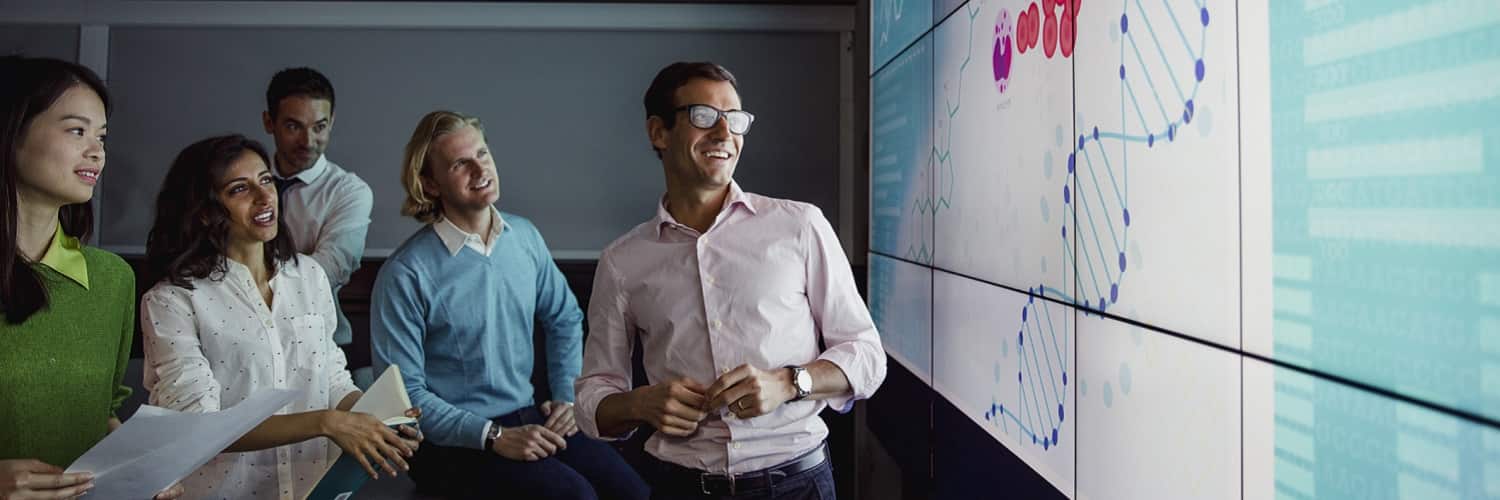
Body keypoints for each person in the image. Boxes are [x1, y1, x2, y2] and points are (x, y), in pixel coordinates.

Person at [575, 62, 887, 499]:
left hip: (798, 485)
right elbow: (593, 397)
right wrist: (638, 404)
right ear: (658, 132)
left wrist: (791, 382)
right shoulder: (622, 262)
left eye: (735, 119)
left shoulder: (799, 226)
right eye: (704, 116)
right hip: (679, 486)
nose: (725, 134)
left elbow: (868, 357)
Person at [371, 110, 648, 500]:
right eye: (459, 163)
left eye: (482, 154)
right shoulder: (405, 273)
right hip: (449, 444)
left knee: (633, 492)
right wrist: (492, 436)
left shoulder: (525, 237)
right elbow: (405, 399)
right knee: (574, 496)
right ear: (431, 185)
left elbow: (565, 317)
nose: (478, 169)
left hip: (528, 414)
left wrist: (566, 396)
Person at [140, 134, 420, 499]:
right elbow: (199, 429)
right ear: (205, 210)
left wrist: (377, 419)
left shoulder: (309, 276)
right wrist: (325, 423)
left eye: (266, 180)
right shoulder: (172, 300)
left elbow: (331, 379)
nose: (264, 197)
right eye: (240, 189)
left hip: (315, 488)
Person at [0, 55, 182, 500]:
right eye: (77, 131)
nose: (97, 151)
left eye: (101, 136)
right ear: (11, 130)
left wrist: (142, 471)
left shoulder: (112, 279)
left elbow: (101, 414)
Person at [261, 67, 372, 358]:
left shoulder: (350, 192)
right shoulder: (243, 182)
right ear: (269, 122)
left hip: (324, 347)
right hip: (245, 344)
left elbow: (326, 272)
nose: (308, 142)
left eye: (319, 127)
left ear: (332, 121)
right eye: (294, 126)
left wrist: (244, 276)